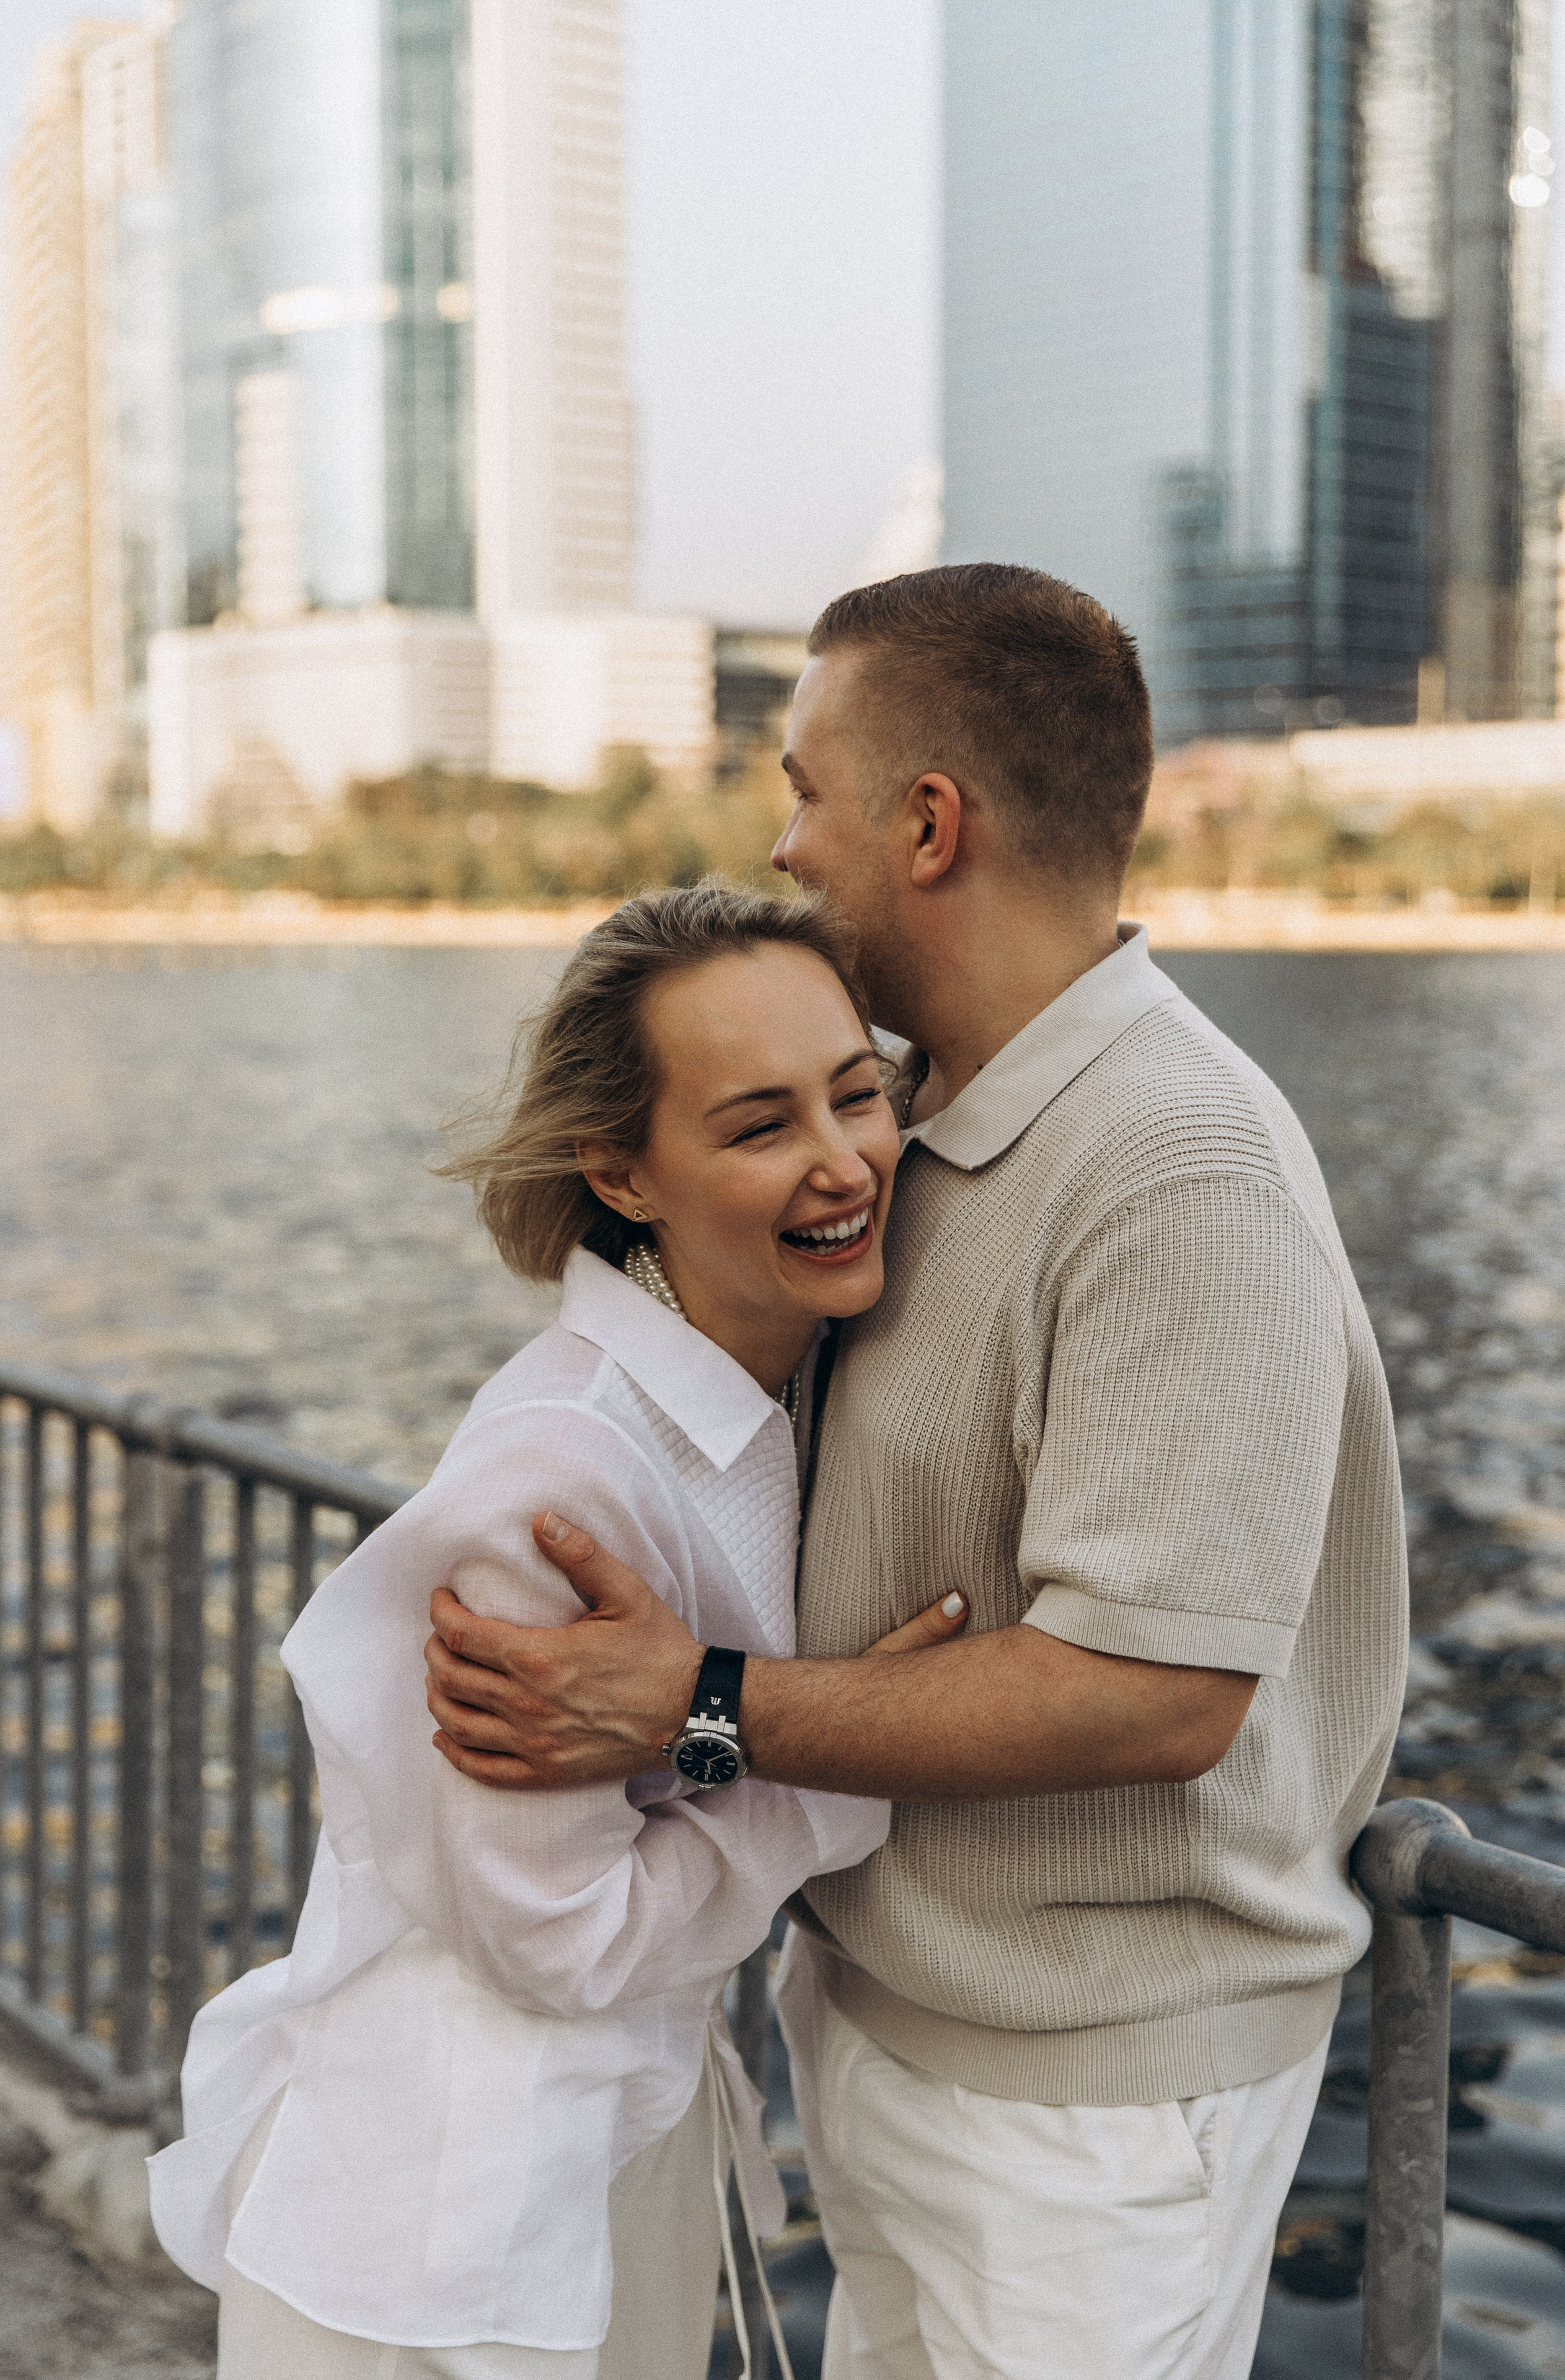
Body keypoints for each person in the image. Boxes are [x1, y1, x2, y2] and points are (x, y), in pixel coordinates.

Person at [421, 564, 1410, 2379]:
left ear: (927, 822)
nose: (785, 842)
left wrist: (691, 1704)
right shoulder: (910, 1115)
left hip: (1088, 2116)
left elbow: (1155, 1695)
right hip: (889, 2029)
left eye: (806, 788)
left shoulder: (1180, 1171)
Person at [147, 884, 964, 2380]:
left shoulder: (755, 1400)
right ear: (621, 1169)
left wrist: (717, 1715)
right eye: (758, 1124)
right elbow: (553, 1938)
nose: (844, 1160)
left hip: (600, 2152)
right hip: (444, 2225)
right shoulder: (561, 1477)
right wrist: (833, 1756)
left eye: (859, 1094)